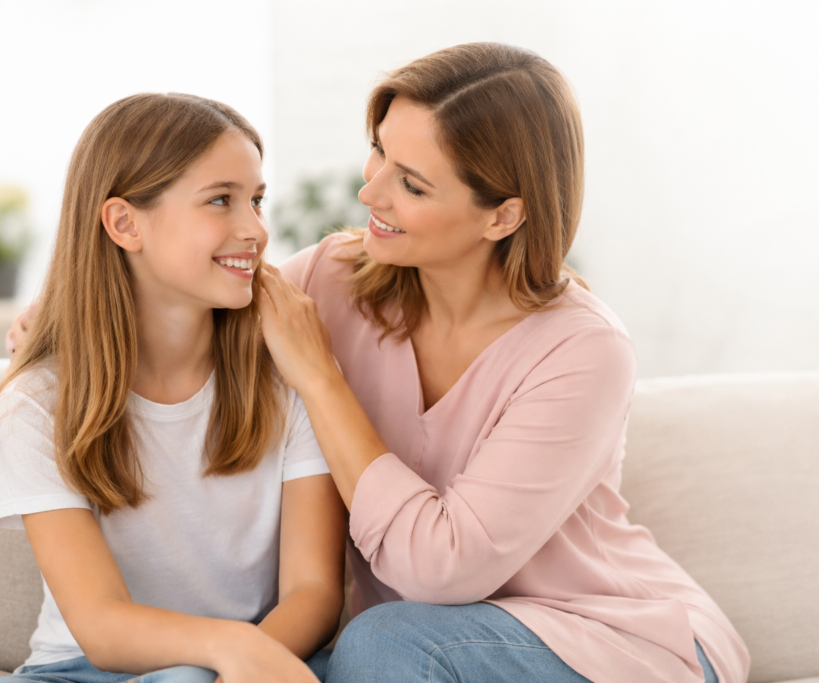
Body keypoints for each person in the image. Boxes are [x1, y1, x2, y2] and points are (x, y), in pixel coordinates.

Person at [255, 43, 750, 683]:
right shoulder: (330, 279)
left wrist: (322, 381)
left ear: (503, 215)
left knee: (384, 644)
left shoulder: (582, 350)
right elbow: (192, 329)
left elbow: (442, 569)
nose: (368, 190)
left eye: (411, 183)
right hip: (425, 649)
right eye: (379, 150)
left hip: (614, 642)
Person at [0, 94, 346, 683]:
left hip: (261, 656)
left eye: (257, 201)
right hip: (82, 670)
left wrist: (243, 659)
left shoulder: (287, 374)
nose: (256, 229)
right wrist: (227, 652)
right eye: (221, 200)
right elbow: (103, 626)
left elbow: (313, 589)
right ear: (124, 223)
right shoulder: (37, 405)